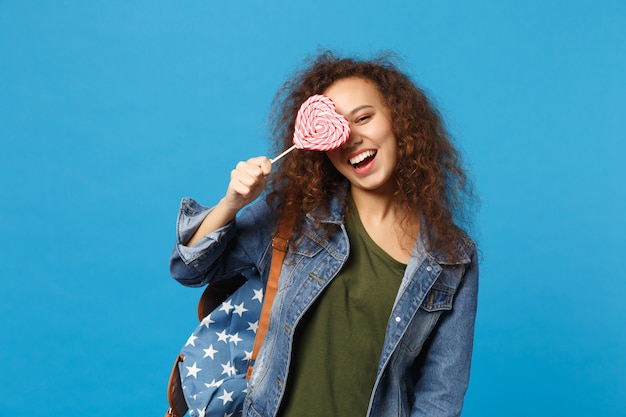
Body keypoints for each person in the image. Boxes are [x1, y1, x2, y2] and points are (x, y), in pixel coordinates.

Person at [169, 51, 479, 417]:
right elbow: (189, 269)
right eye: (338, 127)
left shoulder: (452, 256)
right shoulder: (293, 216)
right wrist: (231, 203)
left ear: (400, 121)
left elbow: (441, 394)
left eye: (364, 117)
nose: (352, 138)